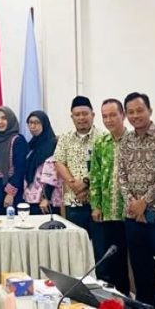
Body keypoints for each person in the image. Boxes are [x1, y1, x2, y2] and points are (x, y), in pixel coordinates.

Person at [117, 92, 155, 309]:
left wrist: (144, 202)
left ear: (150, 111)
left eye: (140, 110)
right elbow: (121, 176)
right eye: (131, 112)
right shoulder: (126, 141)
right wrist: (133, 204)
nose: (135, 115)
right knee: (141, 272)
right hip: (134, 217)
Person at [89, 99, 130, 296]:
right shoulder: (100, 143)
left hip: (129, 212)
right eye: (105, 116)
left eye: (113, 115)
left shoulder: (133, 141)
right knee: (110, 260)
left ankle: (129, 299)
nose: (109, 120)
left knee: (132, 259)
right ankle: (113, 300)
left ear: (123, 115)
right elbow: (95, 176)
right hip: (107, 212)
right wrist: (96, 206)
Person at [54, 96, 103, 234]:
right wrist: (75, 185)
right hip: (73, 200)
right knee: (76, 243)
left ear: (93, 115)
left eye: (85, 113)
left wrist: (86, 183)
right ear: (72, 117)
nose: (81, 117)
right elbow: (59, 162)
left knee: (98, 243)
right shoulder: (65, 138)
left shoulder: (103, 138)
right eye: (77, 114)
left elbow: (106, 167)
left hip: (98, 203)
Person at [0, 106, 28, 215]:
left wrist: (10, 193)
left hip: (11, 190)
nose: (0, 121)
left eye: (4, 118)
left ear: (10, 120)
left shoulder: (18, 140)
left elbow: (20, 169)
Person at [22, 111, 62, 215]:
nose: (32, 126)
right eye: (30, 122)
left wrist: (46, 198)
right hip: (31, 197)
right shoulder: (32, 145)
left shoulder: (53, 144)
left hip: (46, 201)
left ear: (44, 124)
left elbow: (54, 173)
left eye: (37, 122)